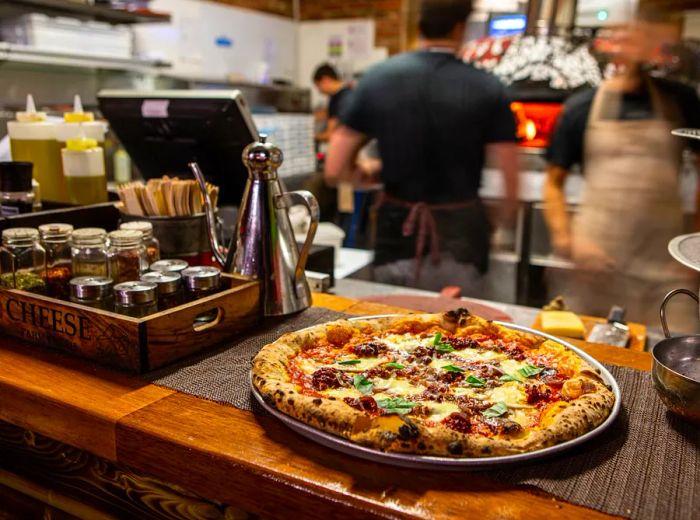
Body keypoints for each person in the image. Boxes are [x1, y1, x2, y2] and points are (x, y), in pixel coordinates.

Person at [324, 0, 519, 294]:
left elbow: (335, 169)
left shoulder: (378, 79)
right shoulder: (488, 86)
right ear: (460, 28)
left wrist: (371, 173)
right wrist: (498, 223)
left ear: (419, 26)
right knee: (464, 333)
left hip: (396, 232)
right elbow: (510, 185)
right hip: (463, 236)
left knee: (394, 333)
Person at [543, 10, 700, 331]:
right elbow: (553, 183)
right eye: (621, 37)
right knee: (585, 359)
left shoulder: (681, 101)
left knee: (674, 355)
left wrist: (695, 248)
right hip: (596, 263)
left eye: (638, 36)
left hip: (665, 266)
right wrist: (569, 241)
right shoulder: (581, 106)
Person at [312, 63, 353, 142]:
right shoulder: (337, 95)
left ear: (325, 80)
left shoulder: (344, 97)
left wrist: (308, 137)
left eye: (318, 86)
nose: (319, 91)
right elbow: (327, 113)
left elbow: (330, 135)